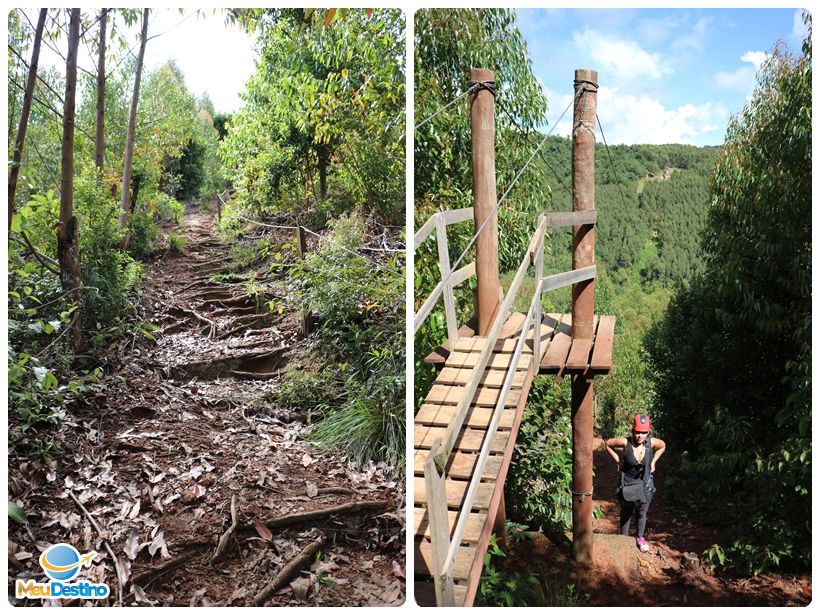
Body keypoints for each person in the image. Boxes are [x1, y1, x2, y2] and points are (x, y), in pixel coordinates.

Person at [605, 413, 666, 552]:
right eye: (638, 432)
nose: (640, 435)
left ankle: (640, 537)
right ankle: (623, 539)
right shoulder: (625, 443)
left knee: (641, 513)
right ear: (633, 430)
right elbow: (608, 444)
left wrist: (654, 462)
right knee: (626, 513)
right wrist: (618, 460)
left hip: (644, 484)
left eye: (644, 432)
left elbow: (663, 446)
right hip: (627, 484)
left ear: (648, 432)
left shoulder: (651, 443)